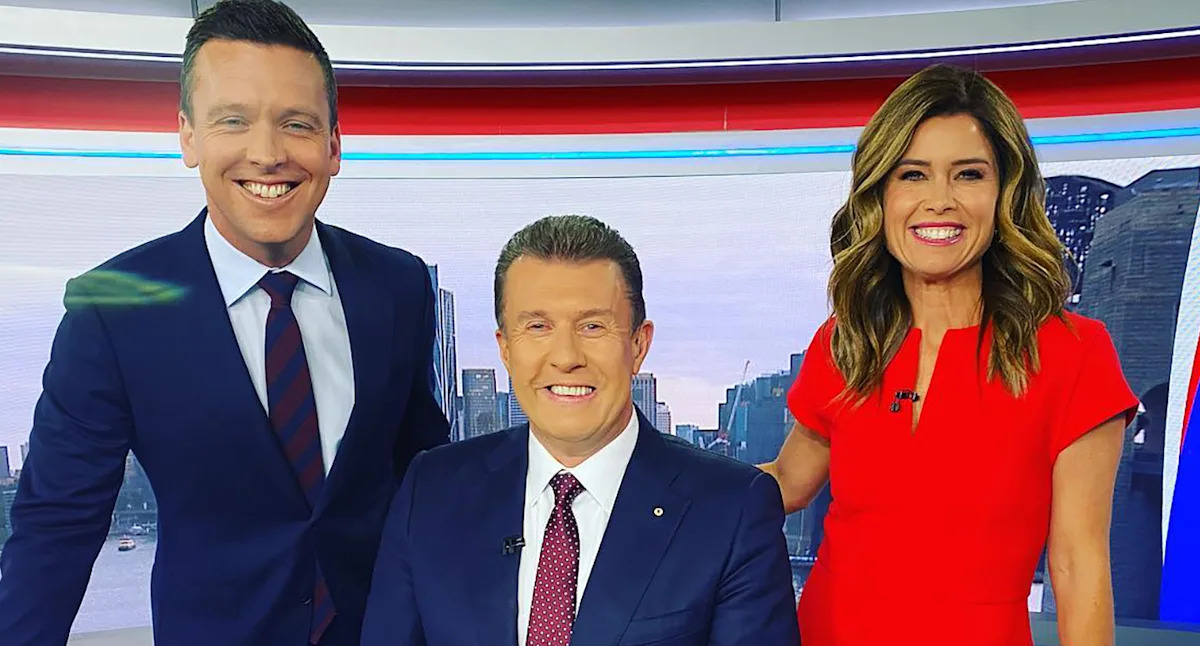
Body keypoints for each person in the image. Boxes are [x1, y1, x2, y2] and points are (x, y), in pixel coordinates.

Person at [0, 2, 449, 645]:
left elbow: (424, 476)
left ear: (334, 144)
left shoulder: (397, 284)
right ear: (188, 137)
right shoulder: (111, 308)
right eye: (233, 120)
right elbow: (56, 525)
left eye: (296, 124)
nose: (267, 155)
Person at [760, 63, 1138, 646]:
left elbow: (1077, 563)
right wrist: (650, 478)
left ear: (1004, 193)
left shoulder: (1073, 352)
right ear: (881, 195)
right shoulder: (847, 339)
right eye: (913, 174)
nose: (939, 200)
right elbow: (787, 481)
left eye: (968, 175)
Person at [360, 215, 800, 646]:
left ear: (638, 345)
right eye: (538, 327)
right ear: (506, 349)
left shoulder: (732, 510)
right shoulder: (431, 490)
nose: (566, 357)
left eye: (592, 327)